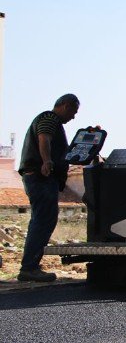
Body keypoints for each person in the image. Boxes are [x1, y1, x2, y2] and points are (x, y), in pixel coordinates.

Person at [16, 93, 80, 282]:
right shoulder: (49, 118)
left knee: (42, 220)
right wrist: (47, 161)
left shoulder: (50, 120)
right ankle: (29, 268)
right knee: (43, 221)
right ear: (66, 106)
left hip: (40, 178)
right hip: (41, 177)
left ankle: (30, 266)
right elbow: (44, 137)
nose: (73, 117)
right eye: (73, 112)